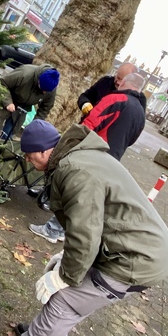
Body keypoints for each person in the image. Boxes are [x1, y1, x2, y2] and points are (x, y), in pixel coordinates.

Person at [0, 119, 168, 336]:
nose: (28, 161)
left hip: (134, 258)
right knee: (75, 298)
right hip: (134, 247)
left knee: (65, 301)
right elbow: (86, 222)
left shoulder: (75, 171)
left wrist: (65, 276)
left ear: (45, 151)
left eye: (30, 156)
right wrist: (66, 262)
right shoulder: (79, 155)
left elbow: (85, 234)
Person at [30, 71, 147, 243]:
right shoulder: (140, 113)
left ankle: (52, 229)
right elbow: (131, 140)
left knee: (70, 189)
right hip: (112, 160)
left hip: (92, 153)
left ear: (124, 83)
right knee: (82, 196)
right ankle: (62, 230)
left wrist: (67, 145)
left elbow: (88, 125)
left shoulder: (116, 99)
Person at [0, 63, 60, 139]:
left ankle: (0, 149)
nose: (44, 93)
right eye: (42, 89)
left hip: (22, 108)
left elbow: (45, 108)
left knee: (8, 135)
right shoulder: (24, 73)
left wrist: (35, 123)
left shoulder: (51, 87)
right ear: (38, 80)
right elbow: (2, 84)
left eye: (46, 91)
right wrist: (8, 102)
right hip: (6, 98)